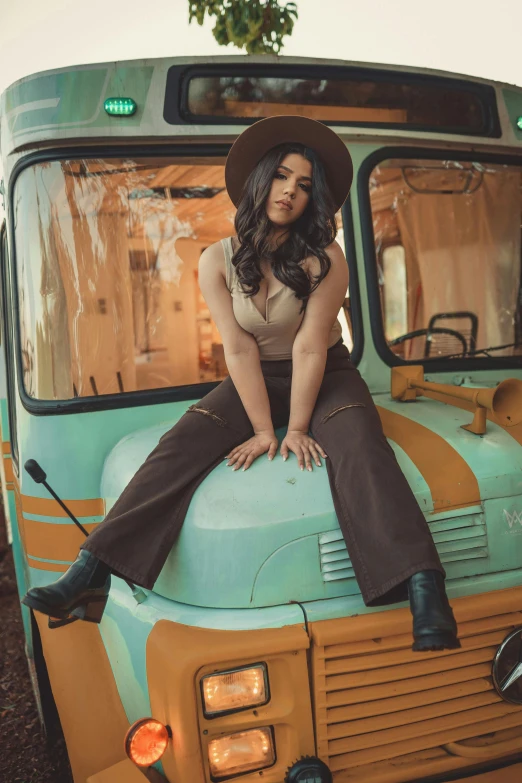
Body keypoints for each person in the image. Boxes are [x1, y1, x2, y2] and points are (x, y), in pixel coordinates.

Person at [22, 115, 460, 652]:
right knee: (178, 444)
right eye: (281, 176)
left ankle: (424, 587)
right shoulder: (215, 260)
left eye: (303, 185)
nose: (290, 192)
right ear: (260, 182)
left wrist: (294, 428)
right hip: (255, 374)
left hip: (325, 373)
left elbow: (307, 346)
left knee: (361, 446)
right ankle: (91, 571)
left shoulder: (327, 259)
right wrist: (260, 429)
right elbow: (238, 346)